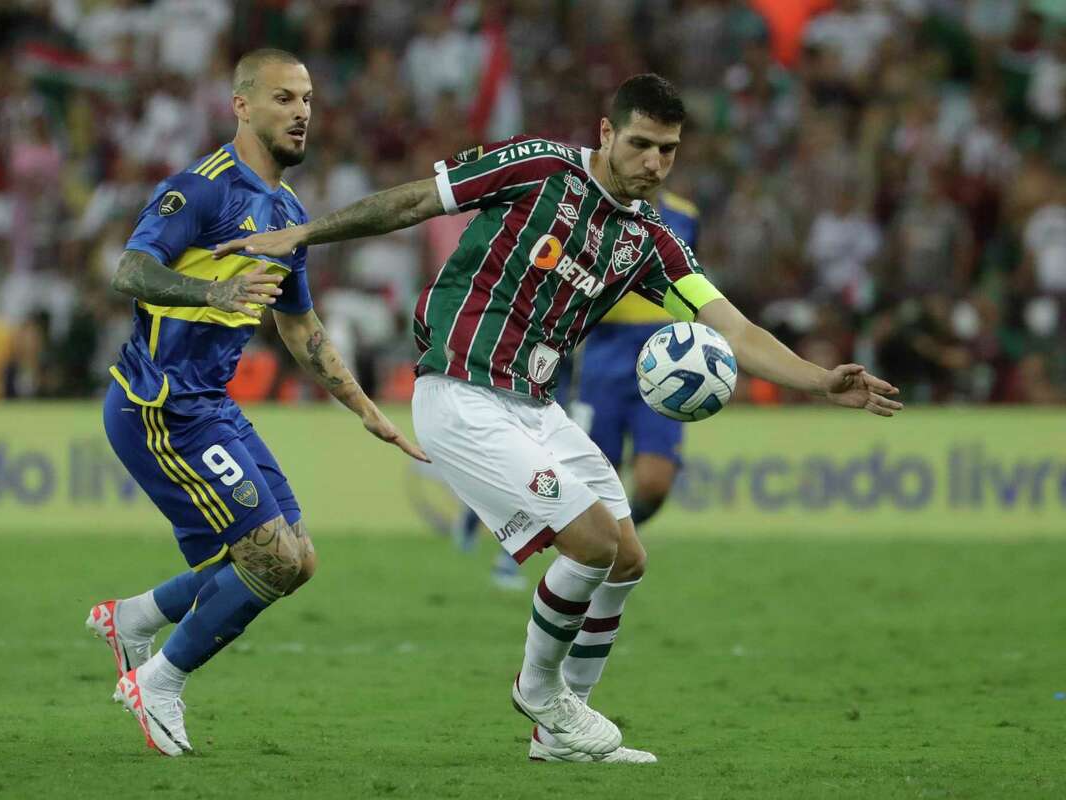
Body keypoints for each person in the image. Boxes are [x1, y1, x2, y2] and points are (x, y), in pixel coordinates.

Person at [215, 73, 902, 764]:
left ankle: (558, 735)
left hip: (536, 408)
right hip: (462, 394)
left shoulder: (650, 243)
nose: (654, 164)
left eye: (668, 151)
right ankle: (539, 692)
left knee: (628, 558)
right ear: (607, 133)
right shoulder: (539, 166)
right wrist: (304, 232)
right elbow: (415, 202)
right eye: (641, 144)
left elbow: (737, 329)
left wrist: (818, 379)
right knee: (593, 544)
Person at [86, 48, 426, 757]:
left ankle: (134, 618)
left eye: (307, 99)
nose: (302, 112)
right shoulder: (202, 189)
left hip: (210, 405)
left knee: (297, 560)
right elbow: (130, 269)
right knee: (266, 560)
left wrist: (366, 409)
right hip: (161, 406)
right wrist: (213, 291)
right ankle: (159, 683)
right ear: (241, 106)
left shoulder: (288, 212)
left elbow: (299, 325)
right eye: (283, 99)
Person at [451, 188, 701, 588]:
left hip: (666, 353)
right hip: (604, 352)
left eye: (663, 150)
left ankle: (604, 546)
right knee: (575, 475)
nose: (651, 161)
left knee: (654, 485)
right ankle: (513, 551)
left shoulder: (686, 214)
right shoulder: (595, 210)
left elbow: (689, 282)